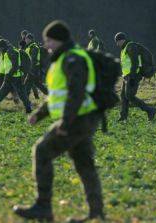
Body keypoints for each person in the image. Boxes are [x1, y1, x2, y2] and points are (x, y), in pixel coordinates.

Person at [13, 20, 105, 223]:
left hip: (77, 119)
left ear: (59, 40)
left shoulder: (72, 59)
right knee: (84, 164)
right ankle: (96, 213)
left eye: (48, 40)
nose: (46, 45)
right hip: (83, 118)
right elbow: (56, 95)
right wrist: (40, 114)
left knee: (42, 151)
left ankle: (43, 206)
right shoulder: (65, 58)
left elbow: (76, 93)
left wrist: (65, 122)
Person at [0, 39, 32, 114]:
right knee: (1, 93)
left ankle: (28, 108)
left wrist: (9, 75)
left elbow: (15, 66)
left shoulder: (11, 52)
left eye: (0, 47)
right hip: (10, 77)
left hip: (15, 77)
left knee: (21, 94)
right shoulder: (9, 51)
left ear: (3, 46)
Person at [115, 32, 156, 122]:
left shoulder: (131, 47)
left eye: (117, 41)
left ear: (122, 40)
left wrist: (133, 77)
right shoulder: (124, 49)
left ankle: (150, 110)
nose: (117, 44)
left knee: (129, 96)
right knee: (123, 96)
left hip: (133, 75)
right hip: (126, 76)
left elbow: (135, 63)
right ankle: (123, 116)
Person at [24, 33, 48, 99]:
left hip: (33, 69)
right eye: (25, 39)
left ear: (30, 39)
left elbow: (33, 60)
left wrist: (31, 69)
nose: (25, 40)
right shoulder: (29, 47)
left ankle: (26, 101)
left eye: (26, 39)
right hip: (32, 69)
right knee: (38, 84)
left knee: (27, 85)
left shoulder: (34, 47)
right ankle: (50, 94)